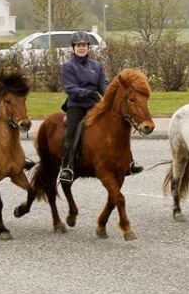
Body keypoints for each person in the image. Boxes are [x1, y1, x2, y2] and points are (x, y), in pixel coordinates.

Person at [58, 31, 143, 184]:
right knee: (72, 131)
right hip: (76, 104)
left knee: (117, 125)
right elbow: (70, 88)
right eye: (78, 46)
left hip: (94, 103)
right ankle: (67, 166)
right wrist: (87, 92)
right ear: (73, 48)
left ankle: (129, 162)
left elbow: (104, 85)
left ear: (88, 47)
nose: (81, 48)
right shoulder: (67, 67)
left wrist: (113, 94)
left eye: (84, 45)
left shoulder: (96, 66)